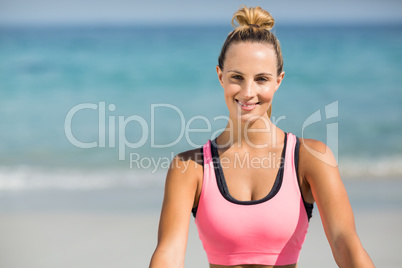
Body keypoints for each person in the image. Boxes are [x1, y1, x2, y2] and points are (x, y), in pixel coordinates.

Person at [149, 5, 375, 268]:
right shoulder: (189, 167)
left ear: (278, 81)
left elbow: (344, 242)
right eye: (237, 77)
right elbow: (169, 253)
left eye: (261, 79)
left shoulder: (311, 158)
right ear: (220, 76)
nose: (247, 92)